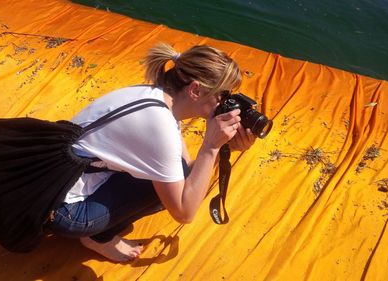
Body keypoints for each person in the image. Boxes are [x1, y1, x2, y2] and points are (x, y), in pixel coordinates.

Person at [47, 43, 256, 262]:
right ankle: (98, 237)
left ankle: (96, 228)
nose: (227, 104)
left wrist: (224, 147)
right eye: (223, 95)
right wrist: (211, 147)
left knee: (175, 176)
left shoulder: (154, 98)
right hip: (62, 211)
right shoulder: (159, 127)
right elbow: (185, 212)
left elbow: (186, 172)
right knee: (167, 191)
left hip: (54, 179)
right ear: (195, 90)